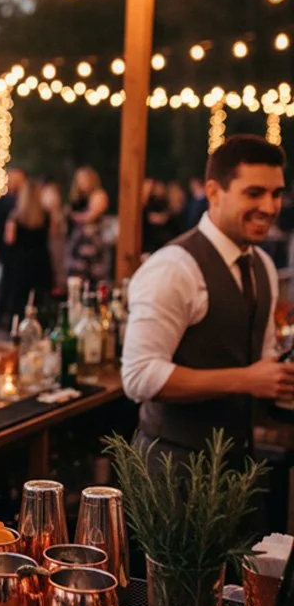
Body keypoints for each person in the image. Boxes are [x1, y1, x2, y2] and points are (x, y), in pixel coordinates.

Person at [122, 134, 294, 476]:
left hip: (238, 467)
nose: (271, 207)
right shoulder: (174, 267)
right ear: (214, 192)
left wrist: (277, 379)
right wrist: (246, 379)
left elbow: (258, 364)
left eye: (276, 194)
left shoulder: (261, 264)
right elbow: (138, 376)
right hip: (172, 470)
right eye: (254, 193)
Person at [6, 179, 53, 325]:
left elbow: (9, 239)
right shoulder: (45, 215)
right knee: (39, 297)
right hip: (40, 258)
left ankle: (17, 325)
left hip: (21, 259)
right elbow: (51, 236)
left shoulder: (16, 216)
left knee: (19, 296)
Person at [0, 165, 26, 327]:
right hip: (11, 248)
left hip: (13, 248)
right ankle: (4, 314)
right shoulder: (11, 202)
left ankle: (3, 314)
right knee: (8, 283)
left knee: (8, 283)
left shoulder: (8, 201)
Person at [65, 166, 110, 286]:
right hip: (78, 242)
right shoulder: (77, 198)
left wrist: (75, 216)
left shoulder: (99, 195)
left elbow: (91, 216)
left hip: (92, 241)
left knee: (95, 275)